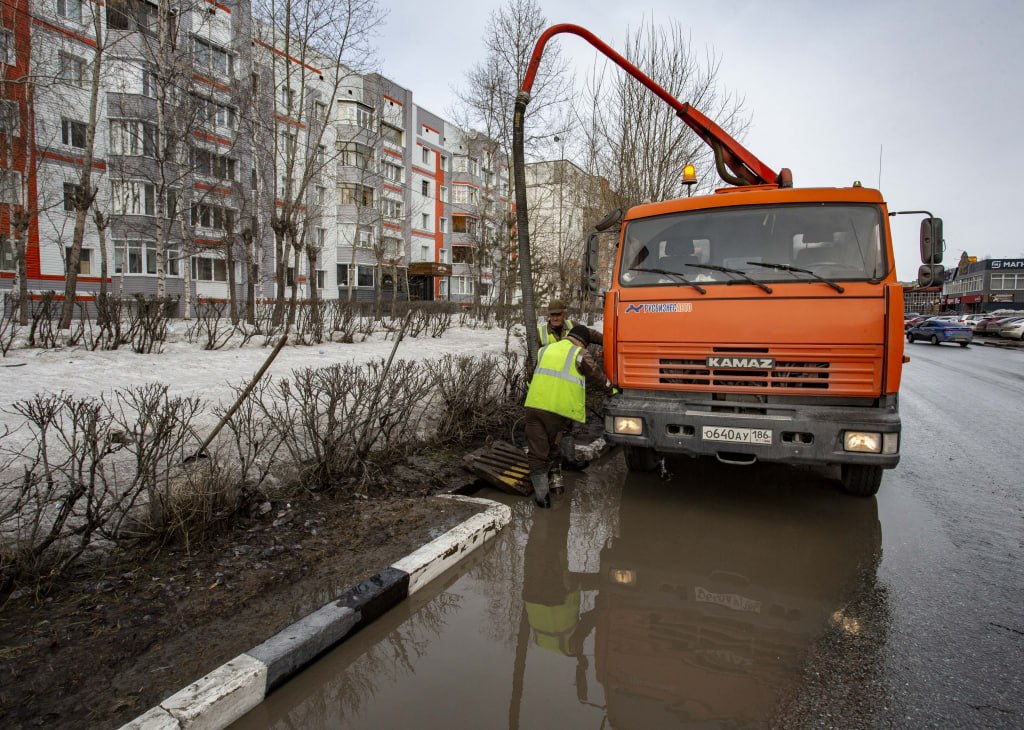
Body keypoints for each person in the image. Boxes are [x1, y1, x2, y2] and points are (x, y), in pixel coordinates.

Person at [523, 324, 607, 508]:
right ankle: (554, 488)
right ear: (583, 342)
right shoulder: (580, 353)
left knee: (537, 452)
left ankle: (542, 498)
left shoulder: (545, 350)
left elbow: (531, 375)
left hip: (533, 405)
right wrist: (611, 389)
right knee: (553, 449)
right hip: (555, 411)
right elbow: (596, 375)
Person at [537, 299, 603, 348]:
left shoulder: (573, 326)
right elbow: (533, 359)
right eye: (552, 315)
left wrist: (610, 342)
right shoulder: (540, 333)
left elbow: (592, 334)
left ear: (564, 313)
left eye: (558, 315)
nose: (555, 318)